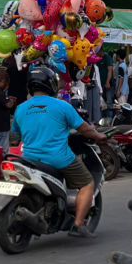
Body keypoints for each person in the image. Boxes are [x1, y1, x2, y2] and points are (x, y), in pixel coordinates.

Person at [12, 63, 107, 231]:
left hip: (29, 159)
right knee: (87, 183)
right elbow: (84, 128)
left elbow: (14, 137)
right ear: (51, 84)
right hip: (58, 158)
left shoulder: (20, 108)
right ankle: (78, 225)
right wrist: (99, 136)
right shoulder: (62, 106)